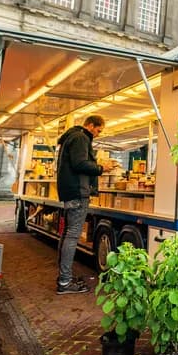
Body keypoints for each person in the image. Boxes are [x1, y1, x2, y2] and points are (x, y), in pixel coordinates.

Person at [55, 115, 116, 294]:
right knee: (72, 235)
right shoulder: (81, 138)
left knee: (67, 234)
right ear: (90, 125)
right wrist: (101, 168)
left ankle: (64, 279)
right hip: (77, 191)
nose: (98, 134)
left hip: (70, 191)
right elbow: (80, 164)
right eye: (98, 130)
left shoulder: (72, 137)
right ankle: (65, 282)